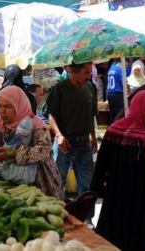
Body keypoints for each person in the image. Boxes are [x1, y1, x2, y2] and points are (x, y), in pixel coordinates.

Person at [91, 91, 145, 251]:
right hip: (119, 200)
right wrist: (98, 188)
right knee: (113, 241)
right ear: (141, 109)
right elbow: (102, 163)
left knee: (141, 242)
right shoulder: (116, 132)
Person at [46, 62, 98, 226]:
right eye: (85, 72)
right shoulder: (60, 89)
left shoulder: (90, 88)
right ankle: (57, 216)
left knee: (86, 185)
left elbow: (91, 115)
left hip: (84, 143)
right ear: (74, 71)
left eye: (89, 73)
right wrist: (59, 135)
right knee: (57, 182)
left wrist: (93, 137)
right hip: (65, 143)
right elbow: (51, 115)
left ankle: (87, 219)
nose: (88, 76)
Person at [107, 59, 125, 124]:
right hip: (118, 94)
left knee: (112, 114)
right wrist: (129, 89)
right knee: (119, 114)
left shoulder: (111, 69)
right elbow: (124, 83)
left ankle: (111, 128)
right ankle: (118, 129)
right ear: (122, 62)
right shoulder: (120, 69)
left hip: (110, 93)